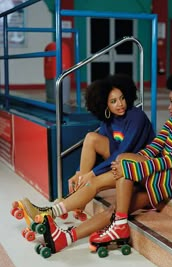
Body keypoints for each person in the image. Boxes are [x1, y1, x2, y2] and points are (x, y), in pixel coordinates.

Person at [34, 69, 172, 255]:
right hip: (158, 172)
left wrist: (135, 168)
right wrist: (133, 161)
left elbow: (170, 161)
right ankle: (61, 230)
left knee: (121, 186)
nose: (169, 107)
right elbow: (153, 149)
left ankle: (113, 225)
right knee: (118, 168)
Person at [13, 73, 155, 233]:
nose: (120, 104)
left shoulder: (137, 117)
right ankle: (68, 203)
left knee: (93, 181)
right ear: (105, 105)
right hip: (121, 163)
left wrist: (92, 174)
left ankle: (53, 211)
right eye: (113, 101)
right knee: (91, 138)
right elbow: (109, 153)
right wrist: (80, 173)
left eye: (122, 98)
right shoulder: (109, 119)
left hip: (141, 168)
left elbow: (123, 151)